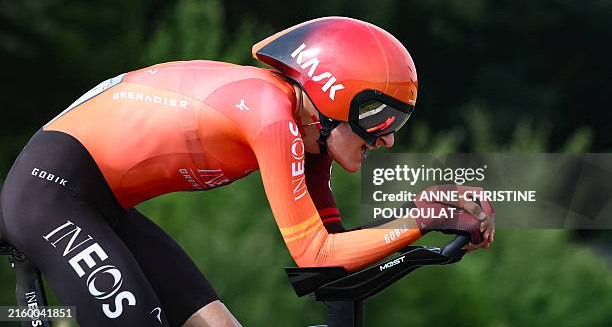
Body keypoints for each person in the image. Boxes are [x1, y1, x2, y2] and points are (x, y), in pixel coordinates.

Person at [0, 17, 494, 326]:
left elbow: (330, 264)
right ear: (331, 96)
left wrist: (425, 224)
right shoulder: (270, 114)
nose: (387, 138)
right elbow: (315, 252)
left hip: (97, 204)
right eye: (379, 119)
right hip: (50, 195)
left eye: (398, 123)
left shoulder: (309, 132)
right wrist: (419, 222)